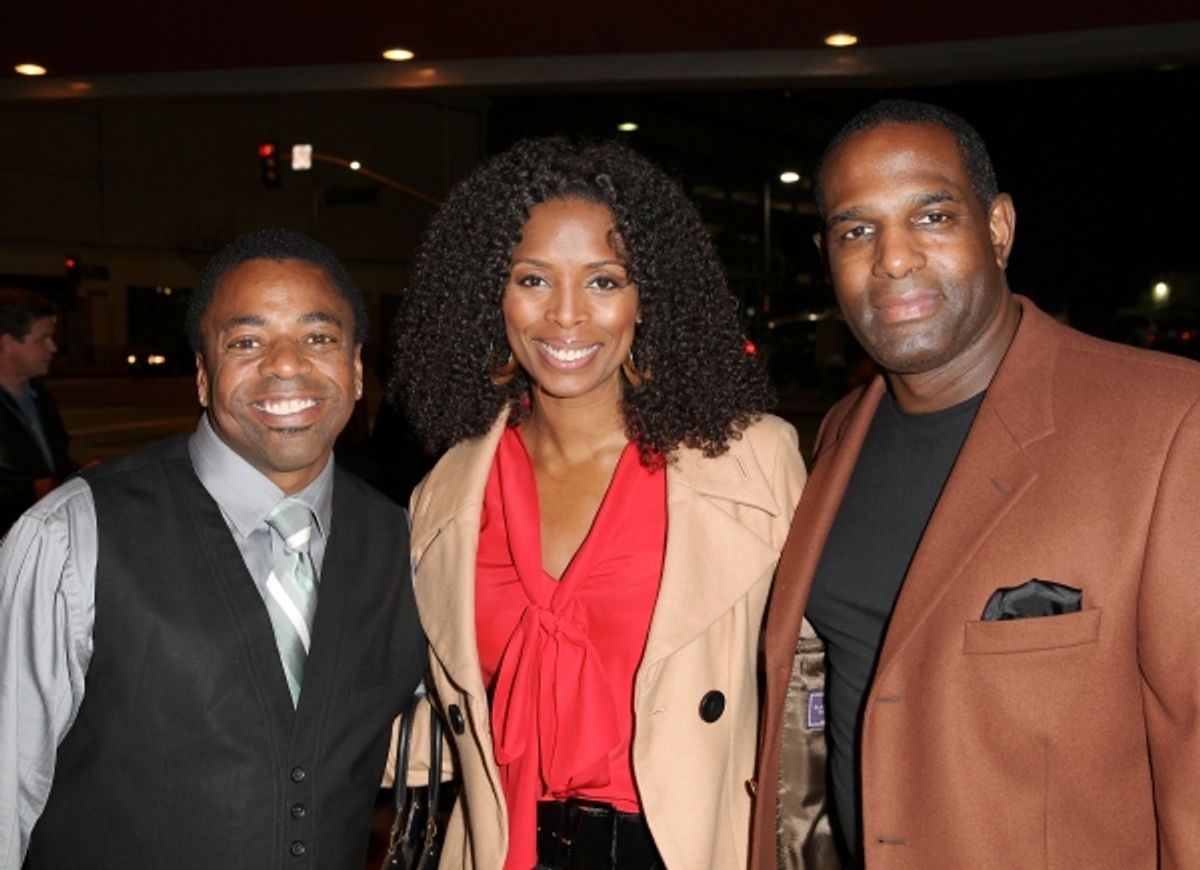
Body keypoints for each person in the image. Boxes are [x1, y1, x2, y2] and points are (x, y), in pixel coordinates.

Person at [751, 99, 1200, 870]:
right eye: (859, 231)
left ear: (997, 229)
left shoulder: (1169, 422)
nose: (892, 259)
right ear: (827, 254)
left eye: (930, 216)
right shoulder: (836, 434)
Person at [391, 137, 807, 870]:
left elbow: (810, 688)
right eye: (533, 279)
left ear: (650, 298)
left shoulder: (753, 461)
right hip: (505, 849)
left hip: (682, 847)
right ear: (492, 293)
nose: (566, 317)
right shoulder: (447, 491)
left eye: (605, 282)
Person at [0, 228, 426, 869]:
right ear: (203, 376)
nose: (286, 364)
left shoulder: (401, 542)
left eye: (319, 338)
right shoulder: (71, 536)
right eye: (247, 341)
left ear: (357, 369)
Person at [0, 288, 71, 533]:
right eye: (42, 339)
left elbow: (52, 466)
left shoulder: (40, 397)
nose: (53, 347)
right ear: (8, 343)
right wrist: (32, 491)